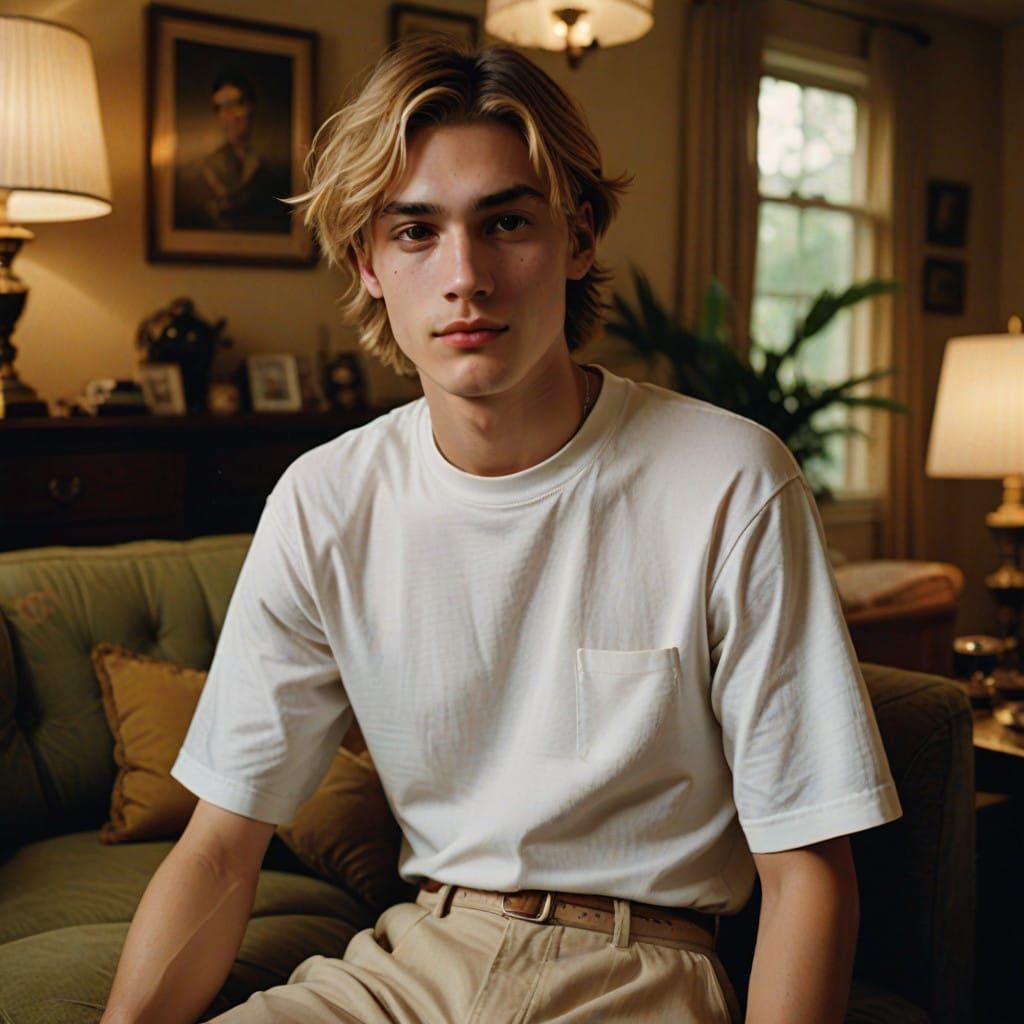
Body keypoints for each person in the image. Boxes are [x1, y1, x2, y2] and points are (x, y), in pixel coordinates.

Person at [101, 36, 901, 1024]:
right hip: (413, 958)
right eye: (415, 232)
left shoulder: (729, 479)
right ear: (368, 261)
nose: (465, 276)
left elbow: (809, 872)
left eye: (506, 221)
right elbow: (221, 846)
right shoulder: (326, 499)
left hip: (638, 967)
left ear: (579, 235)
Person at [173, 70, 291, 234]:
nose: (229, 115)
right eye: (221, 107)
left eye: (236, 104)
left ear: (251, 106)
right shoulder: (204, 170)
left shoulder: (274, 170)